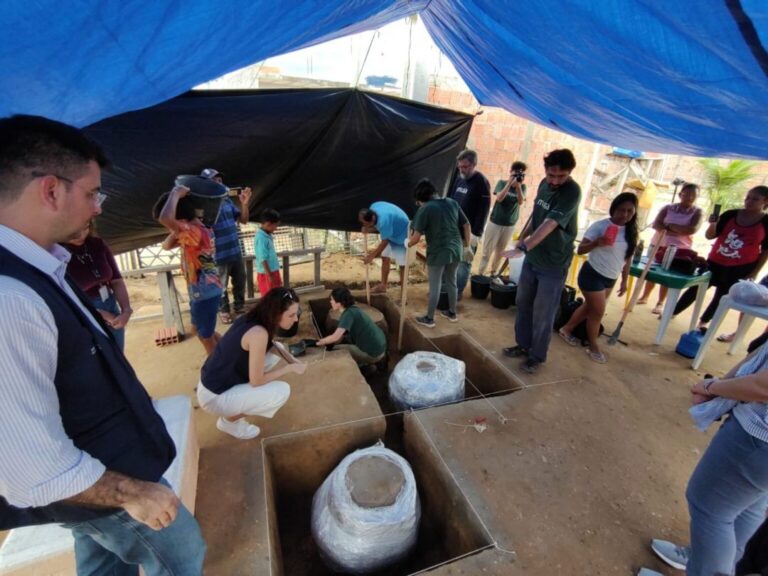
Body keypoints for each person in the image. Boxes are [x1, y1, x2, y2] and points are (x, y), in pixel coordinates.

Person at [0, 115, 205, 573]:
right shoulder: (8, 299)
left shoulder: (40, 264)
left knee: (100, 560)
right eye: (93, 193)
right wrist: (131, 493)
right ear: (51, 190)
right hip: (101, 484)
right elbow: (30, 468)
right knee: (183, 552)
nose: (98, 207)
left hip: (99, 470)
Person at [639, 341, 768, 576]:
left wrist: (712, 387)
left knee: (710, 511)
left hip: (758, 438)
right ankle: (701, 559)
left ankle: (705, 566)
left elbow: (764, 386)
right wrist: (720, 384)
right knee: (745, 509)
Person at [502, 149, 581, 374]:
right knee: (524, 302)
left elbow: (549, 224)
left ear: (569, 174)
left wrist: (525, 246)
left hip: (554, 262)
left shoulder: (572, 191)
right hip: (533, 258)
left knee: (544, 311)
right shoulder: (543, 185)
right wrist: (521, 240)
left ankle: (537, 356)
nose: (555, 181)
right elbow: (535, 218)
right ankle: (523, 344)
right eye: (551, 176)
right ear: (545, 171)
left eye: (561, 176)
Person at [198, 287, 305, 440]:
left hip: (213, 380)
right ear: (275, 314)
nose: (295, 319)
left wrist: (293, 360)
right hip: (213, 397)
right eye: (291, 315)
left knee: (278, 349)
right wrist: (289, 368)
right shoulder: (259, 334)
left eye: (296, 313)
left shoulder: (254, 318)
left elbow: (273, 346)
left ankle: (240, 399)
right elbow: (257, 381)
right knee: (281, 391)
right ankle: (228, 421)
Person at [673, 186, 768, 331]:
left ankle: (704, 322)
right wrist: (713, 223)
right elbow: (710, 236)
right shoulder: (731, 214)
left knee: (722, 296)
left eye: (755, 199)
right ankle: (673, 312)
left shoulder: (766, 222)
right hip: (715, 261)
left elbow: (765, 251)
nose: (749, 201)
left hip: (741, 266)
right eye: (748, 197)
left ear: (765, 201)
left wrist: (755, 272)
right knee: (696, 288)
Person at [558, 193, 638, 364]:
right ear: (613, 209)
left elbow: (628, 258)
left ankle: (566, 329)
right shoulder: (600, 226)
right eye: (621, 210)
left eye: (630, 211)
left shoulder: (631, 231)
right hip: (592, 274)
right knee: (597, 313)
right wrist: (596, 243)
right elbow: (580, 250)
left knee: (589, 308)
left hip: (611, 277)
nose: (625, 215)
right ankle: (593, 345)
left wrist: (624, 280)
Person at [156, 182, 224, 355]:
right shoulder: (195, 230)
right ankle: (229, 351)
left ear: (180, 218)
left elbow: (165, 218)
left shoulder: (195, 232)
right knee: (199, 331)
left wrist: (176, 193)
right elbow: (166, 246)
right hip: (202, 290)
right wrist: (176, 228)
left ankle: (218, 373)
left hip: (205, 292)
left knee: (205, 337)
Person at [408, 178, 471, 328]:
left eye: (418, 201)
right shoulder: (452, 202)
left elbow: (415, 239)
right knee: (452, 281)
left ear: (421, 198)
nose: (418, 204)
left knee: (435, 286)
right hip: (456, 248)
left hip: (438, 252)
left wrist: (407, 243)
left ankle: (429, 319)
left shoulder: (425, 209)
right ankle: (452, 313)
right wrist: (467, 245)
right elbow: (466, 224)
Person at [63, 219, 133, 350]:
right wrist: (97, 313)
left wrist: (126, 310)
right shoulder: (58, 253)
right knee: (100, 360)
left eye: (86, 227)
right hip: (82, 311)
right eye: (75, 230)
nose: (81, 235)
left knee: (118, 354)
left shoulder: (97, 244)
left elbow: (116, 280)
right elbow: (63, 294)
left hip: (110, 304)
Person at [637, 183, 703, 314]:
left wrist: (669, 226)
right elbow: (656, 224)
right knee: (651, 270)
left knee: (668, 274)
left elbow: (691, 229)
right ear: (680, 195)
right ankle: (645, 296)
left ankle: (660, 302)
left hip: (679, 249)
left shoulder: (698, 212)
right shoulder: (668, 208)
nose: (689, 197)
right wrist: (676, 229)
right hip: (659, 243)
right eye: (686, 194)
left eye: (693, 195)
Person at [201, 168, 251, 325]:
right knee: (220, 285)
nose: (218, 183)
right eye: (213, 180)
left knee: (240, 281)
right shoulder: (202, 204)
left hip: (235, 252)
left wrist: (244, 204)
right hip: (218, 256)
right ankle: (224, 311)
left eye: (220, 180)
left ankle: (239, 307)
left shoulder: (227, 201)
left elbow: (243, 220)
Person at [313, 286, 387, 369]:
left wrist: (319, 342)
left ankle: (365, 367)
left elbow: (336, 336)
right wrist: (329, 342)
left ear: (339, 303)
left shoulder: (348, 315)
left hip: (373, 354)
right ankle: (366, 365)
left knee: (336, 349)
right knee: (343, 342)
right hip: (380, 349)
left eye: (332, 300)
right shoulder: (353, 309)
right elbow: (341, 336)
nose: (330, 302)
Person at [478, 161, 527, 276]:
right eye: (515, 174)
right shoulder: (501, 183)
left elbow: (520, 201)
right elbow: (499, 198)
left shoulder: (523, 187)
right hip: (495, 222)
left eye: (521, 175)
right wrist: (509, 184)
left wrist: (518, 186)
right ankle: (480, 274)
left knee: (500, 252)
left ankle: (493, 273)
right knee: (487, 251)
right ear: (510, 173)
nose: (518, 177)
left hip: (509, 225)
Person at [359, 202, 410, 295]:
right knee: (385, 258)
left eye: (366, 224)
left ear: (372, 219)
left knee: (402, 266)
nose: (364, 225)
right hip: (391, 231)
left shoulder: (384, 221)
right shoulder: (372, 208)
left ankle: (403, 295)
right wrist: (368, 229)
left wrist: (371, 256)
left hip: (402, 234)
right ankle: (383, 286)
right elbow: (380, 228)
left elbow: (384, 241)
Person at [448, 149, 491, 250]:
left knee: (464, 263)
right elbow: (451, 200)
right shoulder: (459, 178)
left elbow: (484, 210)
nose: (461, 170)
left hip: (469, 232)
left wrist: (476, 233)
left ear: (473, 164)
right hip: (454, 229)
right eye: (459, 167)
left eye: (465, 167)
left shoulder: (482, 182)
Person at [254, 208, 282, 297]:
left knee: (276, 294)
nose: (276, 228)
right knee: (269, 296)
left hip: (273, 271)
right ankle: (270, 310)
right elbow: (263, 258)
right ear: (269, 224)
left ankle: (276, 310)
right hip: (267, 273)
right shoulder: (261, 238)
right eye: (276, 226)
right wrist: (269, 275)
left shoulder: (266, 235)